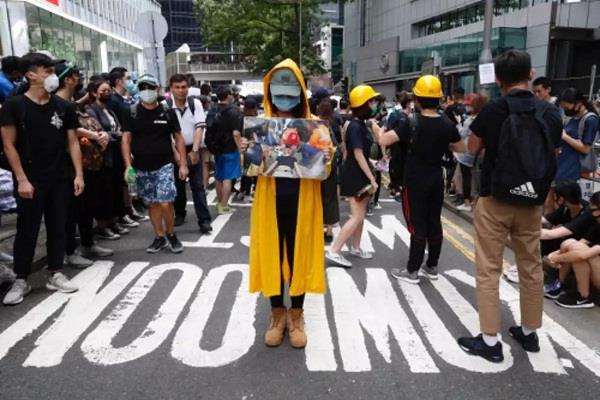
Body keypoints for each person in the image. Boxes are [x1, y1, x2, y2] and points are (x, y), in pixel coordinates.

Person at [457, 50, 563, 362]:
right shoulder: (550, 113)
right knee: (530, 266)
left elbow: (472, 148)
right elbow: (552, 156)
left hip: (495, 198)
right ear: (531, 74)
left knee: (488, 269)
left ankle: (490, 341)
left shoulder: (493, 110)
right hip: (532, 202)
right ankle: (529, 333)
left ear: (499, 80)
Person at [248, 59, 331, 349]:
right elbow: (253, 167)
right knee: (271, 254)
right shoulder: (260, 126)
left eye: (289, 91)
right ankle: (276, 315)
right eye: (278, 91)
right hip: (270, 202)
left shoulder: (315, 129)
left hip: (302, 203)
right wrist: (251, 153)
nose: (283, 99)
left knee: (299, 257)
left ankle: (296, 315)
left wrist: (325, 154)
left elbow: (325, 170)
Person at [0, 52, 84, 305]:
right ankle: (21, 279)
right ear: (30, 74)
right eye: (46, 71)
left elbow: (72, 142)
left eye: (52, 70)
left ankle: (56, 272)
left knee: (58, 224)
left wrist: (78, 174)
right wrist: (22, 179)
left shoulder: (64, 107)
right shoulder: (14, 106)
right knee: (28, 228)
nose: (51, 75)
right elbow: (8, 145)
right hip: (30, 178)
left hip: (59, 176)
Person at [374, 76, 465, 282]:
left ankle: (412, 270)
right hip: (436, 178)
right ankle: (431, 266)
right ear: (439, 99)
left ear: (417, 98)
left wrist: (378, 129)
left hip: (415, 179)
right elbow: (461, 147)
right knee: (434, 221)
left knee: (417, 225)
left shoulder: (411, 122)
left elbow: (384, 140)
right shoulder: (446, 123)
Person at [121, 74, 188, 254]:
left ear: (157, 89)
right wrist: (128, 166)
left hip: (164, 164)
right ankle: (159, 237)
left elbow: (178, 138)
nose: (146, 91)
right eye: (142, 88)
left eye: (150, 87)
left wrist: (182, 163)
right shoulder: (131, 112)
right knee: (152, 204)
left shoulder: (168, 112)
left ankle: (171, 233)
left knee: (165, 201)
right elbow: (126, 140)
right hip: (142, 166)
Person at [325, 84, 380, 268]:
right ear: (364, 104)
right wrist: (372, 179)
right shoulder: (356, 126)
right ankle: (334, 250)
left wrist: (371, 164)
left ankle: (356, 248)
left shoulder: (358, 124)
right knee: (356, 216)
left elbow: (358, 154)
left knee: (361, 214)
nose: (374, 104)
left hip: (358, 173)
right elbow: (356, 154)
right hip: (356, 175)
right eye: (372, 101)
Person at [54, 62, 95, 269]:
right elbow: (71, 135)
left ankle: (76, 248)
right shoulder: (57, 104)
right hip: (60, 168)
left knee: (78, 210)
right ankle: (66, 252)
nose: (78, 79)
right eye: (76, 76)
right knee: (65, 213)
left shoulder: (69, 104)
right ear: (67, 79)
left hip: (76, 166)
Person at [166, 74, 212, 234]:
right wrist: (177, 154)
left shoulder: (195, 103)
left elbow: (200, 127)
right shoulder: (166, 106)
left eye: (184, 87)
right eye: (177, 87)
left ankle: (204, 220)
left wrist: (195, 149)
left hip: (193, 146)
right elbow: (167, 134)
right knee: (177, 185)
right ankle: (180, 213)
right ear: (171, 88)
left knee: (198, 186)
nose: (181, 91)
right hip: (173, 149)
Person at [546, 191, 600, 309]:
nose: (590, 210)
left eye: (593, 207)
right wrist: (553, 255)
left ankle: (583, 296)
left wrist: (556, 258)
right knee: (569, 243)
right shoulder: (597, 224)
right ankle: (560, 284)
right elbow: (582, 243)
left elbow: (584, 255)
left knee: (577, 251)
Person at [108, 67, 146, 226]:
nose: (131, 82)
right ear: (118, 81)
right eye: (128, 78)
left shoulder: (125, 99)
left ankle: (130, 208)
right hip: (119, 146)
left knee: (130, 180)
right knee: (124, 180)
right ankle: (124, 211)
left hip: (131, 143)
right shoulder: (113, 100)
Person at [211, 85, 243, 214]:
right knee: (228, 178)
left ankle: (219, 202)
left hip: (216, 147)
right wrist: (240, 147)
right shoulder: (234, 111)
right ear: (229, 95)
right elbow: (236, 133)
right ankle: (224, 205)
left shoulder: (213, 109)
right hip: (230, 147)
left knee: (219, 177)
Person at [556, 88, 599, 182]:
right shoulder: (570, 119)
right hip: (563, 163)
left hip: (575, 168)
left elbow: (585, 148)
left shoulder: (590, 120)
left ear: (579, 103)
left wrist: (565, 137)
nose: (566, 111)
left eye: (567, 108)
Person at [454, 94, 488, 212]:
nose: (468, 107)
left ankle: (467, 202)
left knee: (466, 177)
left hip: (467, 152)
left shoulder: (471, 120)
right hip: (480, 153)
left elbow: (461, 134)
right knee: (477, 178)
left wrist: (459, 123)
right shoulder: (486, 118)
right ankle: (475, 201)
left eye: (470, 105)